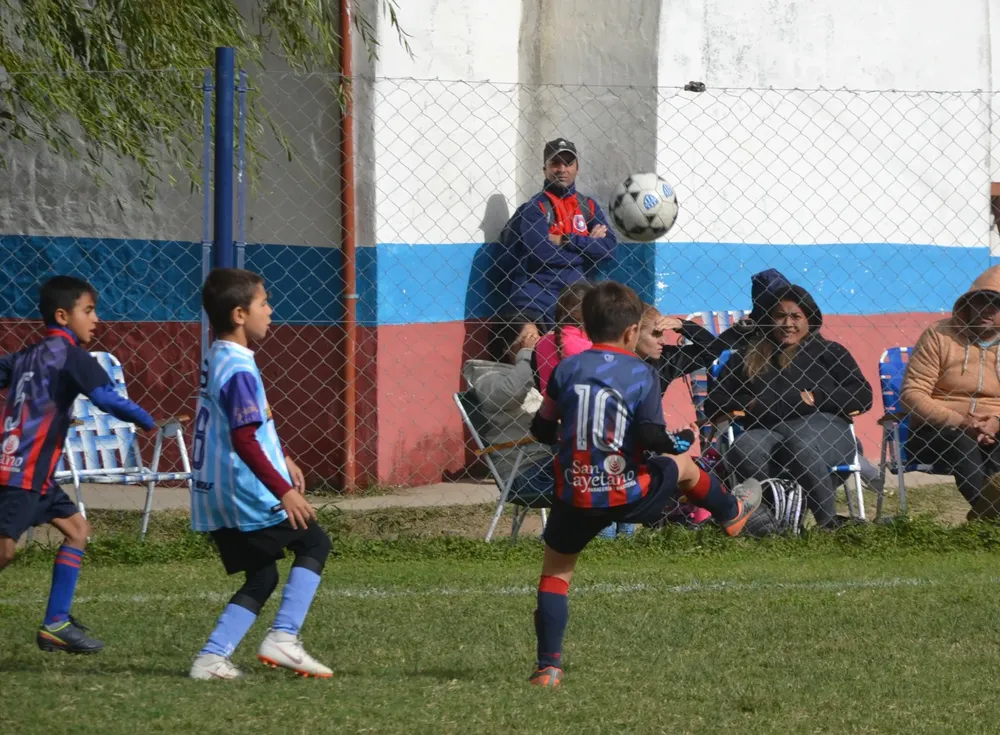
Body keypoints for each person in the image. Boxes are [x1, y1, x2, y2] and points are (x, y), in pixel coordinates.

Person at [527, 281, 762, 688]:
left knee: (555, 576)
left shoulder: (566, 369)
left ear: (585, 326)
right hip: (626, 492)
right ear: (631, 332)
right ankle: (731, 512)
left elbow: (543, 429)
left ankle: (549, 667)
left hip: (575, 495)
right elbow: (652, 436)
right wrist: (675, 444)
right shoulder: (640, 373)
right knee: (684, 466)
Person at [189, 268, 333, 681]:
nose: (271, 310)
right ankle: (284, 637)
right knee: (315, 541)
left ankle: (211, 657)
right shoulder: (238, 369)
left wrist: (282, 454)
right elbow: (244, 440)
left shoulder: (220, 356)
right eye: (264, 303)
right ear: (239, 314)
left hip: (216, 492)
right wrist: (284, 490)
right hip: (245, 493)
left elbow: (244, 426)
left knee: (264, 573)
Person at [0, 275, 156, 654]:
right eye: (88, 310)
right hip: (22, 474)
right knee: (4, 552)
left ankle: (56, 623)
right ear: (62, 315)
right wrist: (149, 419)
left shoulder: (25, 355)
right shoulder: (73, 357)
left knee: (77, 529)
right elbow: (107, 399)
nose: (96, 318)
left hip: (31, 473)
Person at [703, 284, 873, 528]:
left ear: (809, 319)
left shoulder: (829, 351)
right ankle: (780, 523)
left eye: (796, 316)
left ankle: (828, 524)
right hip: (767, 431)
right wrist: (752, 404)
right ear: (768, 320)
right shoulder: (746, 356)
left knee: (799, 441)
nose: (787, 323)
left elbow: (862, 395)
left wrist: (818, 397)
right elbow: (714, 401)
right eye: (780, 316)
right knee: (745, 446)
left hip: (825, 430)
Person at [900, 265, 1000, 518]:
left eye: (996, 303)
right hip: (936, 431)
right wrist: (961, 422)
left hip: (993, 428)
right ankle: (989, 515)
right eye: (981, 300)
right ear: (968, 303)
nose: (988, 308)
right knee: (962, 441)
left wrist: (995, 422)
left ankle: (988, 515)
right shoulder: (940, 335)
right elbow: (913, 394)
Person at [502, 138, 617, 331]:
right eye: (555, 163)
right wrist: (589, 245)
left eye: (568, 163)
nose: (562, 169)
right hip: (536, 301)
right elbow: (543, 254)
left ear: (577, 168)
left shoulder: (587, 206)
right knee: (535, 356)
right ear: (545, 169)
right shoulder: (535, 208)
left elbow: (610, 250)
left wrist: (566, 239)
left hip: (576, 304)